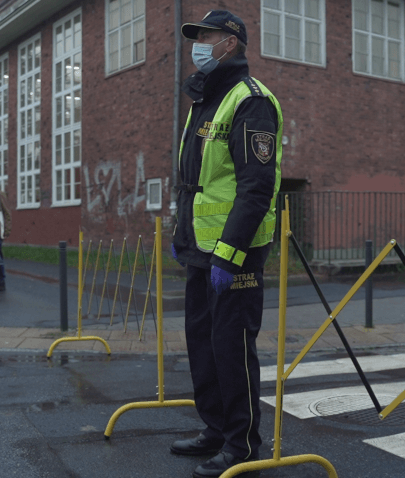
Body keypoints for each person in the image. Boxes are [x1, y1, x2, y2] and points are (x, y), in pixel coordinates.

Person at [169, 10, 282, 478]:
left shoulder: (251, 101)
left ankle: (243, 445)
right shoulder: (205, 100)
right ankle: (215, 430)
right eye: (196, 36)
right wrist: (184, 236)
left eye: (207, 36)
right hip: (202, 249)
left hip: (234, 255)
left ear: (230, 43)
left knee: (231, 348)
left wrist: (229, 253)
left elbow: (256, 187)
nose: (197, 43)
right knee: (203, 344)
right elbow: (194, 183)